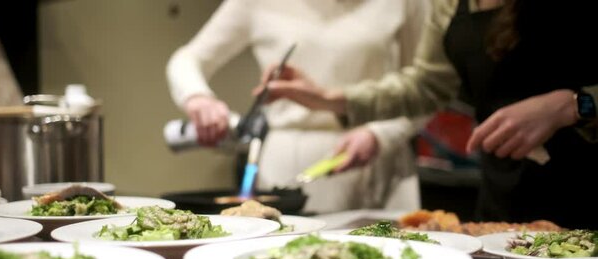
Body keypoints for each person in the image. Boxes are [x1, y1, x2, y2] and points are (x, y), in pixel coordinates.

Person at [258, 0, 598, 229]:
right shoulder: (449, 4)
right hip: (502, 192)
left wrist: (573, 105)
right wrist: (328, 98)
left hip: (582, 189)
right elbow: (426, 86)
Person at [167, 0, 429, 214]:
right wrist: (198, 97)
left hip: (379, 161)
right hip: (288, 166)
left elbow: (425, 87)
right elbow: (188, 58)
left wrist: (380, 134)